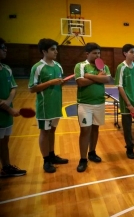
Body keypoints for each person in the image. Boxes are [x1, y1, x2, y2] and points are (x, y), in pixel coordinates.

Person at [28, 38, 69, 173]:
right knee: (44, 132)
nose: (56, 51)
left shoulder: (58, 66)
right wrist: (51, 82)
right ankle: (46, 161)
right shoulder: (37, 67)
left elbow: (59, 83)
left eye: (56, 49)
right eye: (52, 49)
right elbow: (32, 88)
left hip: (56, 105)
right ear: (44, 51)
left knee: (52, 131)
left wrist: (61, 82)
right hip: (44, 107)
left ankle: (52, 155)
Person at [74, 43, 111, 172]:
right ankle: (83, 159)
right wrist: (98, 78)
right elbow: (80, 82)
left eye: (99, 53)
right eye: (94, 53)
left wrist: (89, 76)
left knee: (95, 129)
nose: (97, 55)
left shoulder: (103, 66)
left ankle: (92, 153)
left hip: (99, 103)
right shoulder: (80, 66)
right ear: (87, 54)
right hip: (85, 104)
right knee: (85, 131)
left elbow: (107, 79)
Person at [0, 38, 27, 177]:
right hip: (5, 112)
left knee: (5, 142)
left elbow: (13, 87)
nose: (6, 50)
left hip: (5, 115)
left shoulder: (6, 69)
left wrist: (7, 102)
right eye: (2, 47)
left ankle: (6, 167)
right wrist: (9, 108)